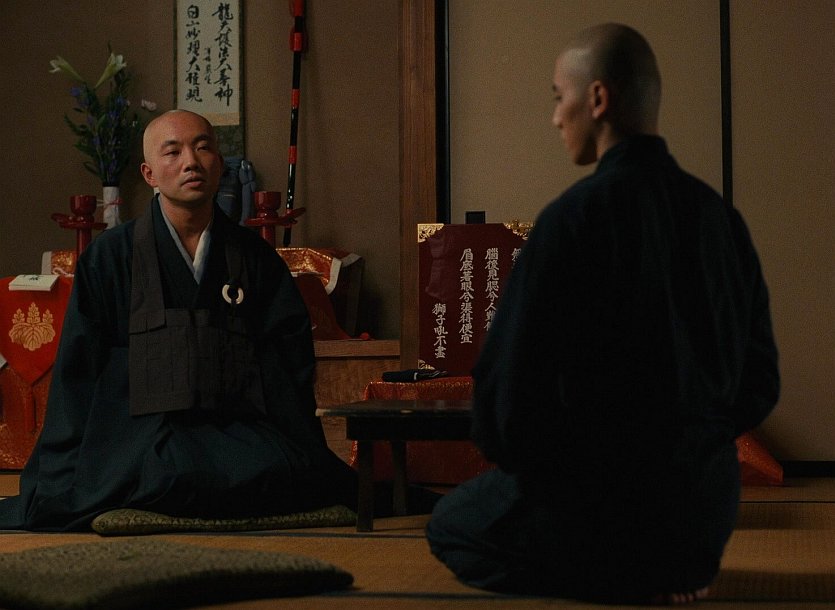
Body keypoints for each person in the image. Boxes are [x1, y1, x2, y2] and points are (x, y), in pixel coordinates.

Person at [425, 23, 779, 605]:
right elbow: (760, 381)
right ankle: (664, 573)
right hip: (701, 519)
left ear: (597, 99)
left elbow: (505, 396)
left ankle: (619, 578)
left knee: (451, 523)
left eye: (558, 97)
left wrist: (556, 465)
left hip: (599, 509)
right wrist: (695, 443)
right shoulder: (718, 218)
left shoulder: (573, 220)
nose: (555, 118)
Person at [0, 109, 357, 531]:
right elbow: (80, 369)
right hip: (143, 430)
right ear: (149, 173)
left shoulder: (255, 257)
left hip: (237, 425)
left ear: (219, 164)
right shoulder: (109, 257)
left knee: (265, 473)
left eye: (203, 148)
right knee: (165, 476)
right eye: (173, 152)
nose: (191, 162)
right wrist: (65, 466)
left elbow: (288, 359)